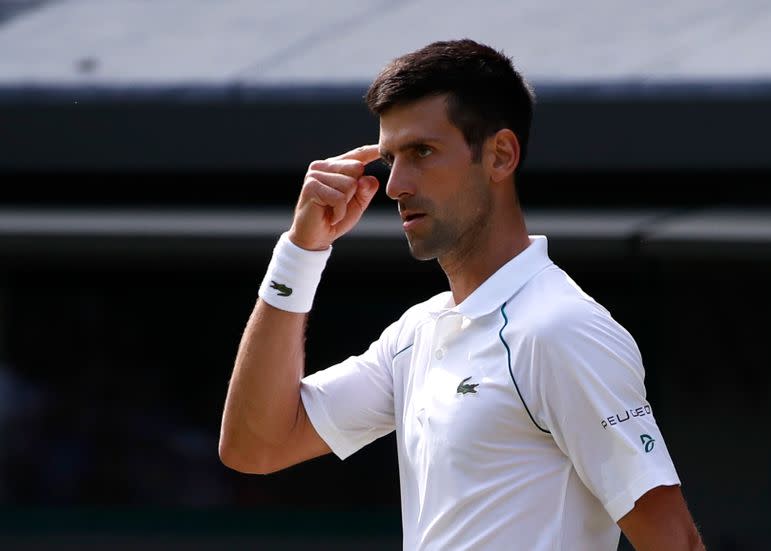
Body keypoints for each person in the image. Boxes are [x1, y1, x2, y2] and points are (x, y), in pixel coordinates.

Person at [219, 38, 705, 550]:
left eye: (421, 152)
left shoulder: (561, 330)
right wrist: (302, 250)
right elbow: (256, 445)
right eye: (389, 159)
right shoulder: (416, 334)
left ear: (499, 155)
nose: (395, 186)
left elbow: (676, 543)